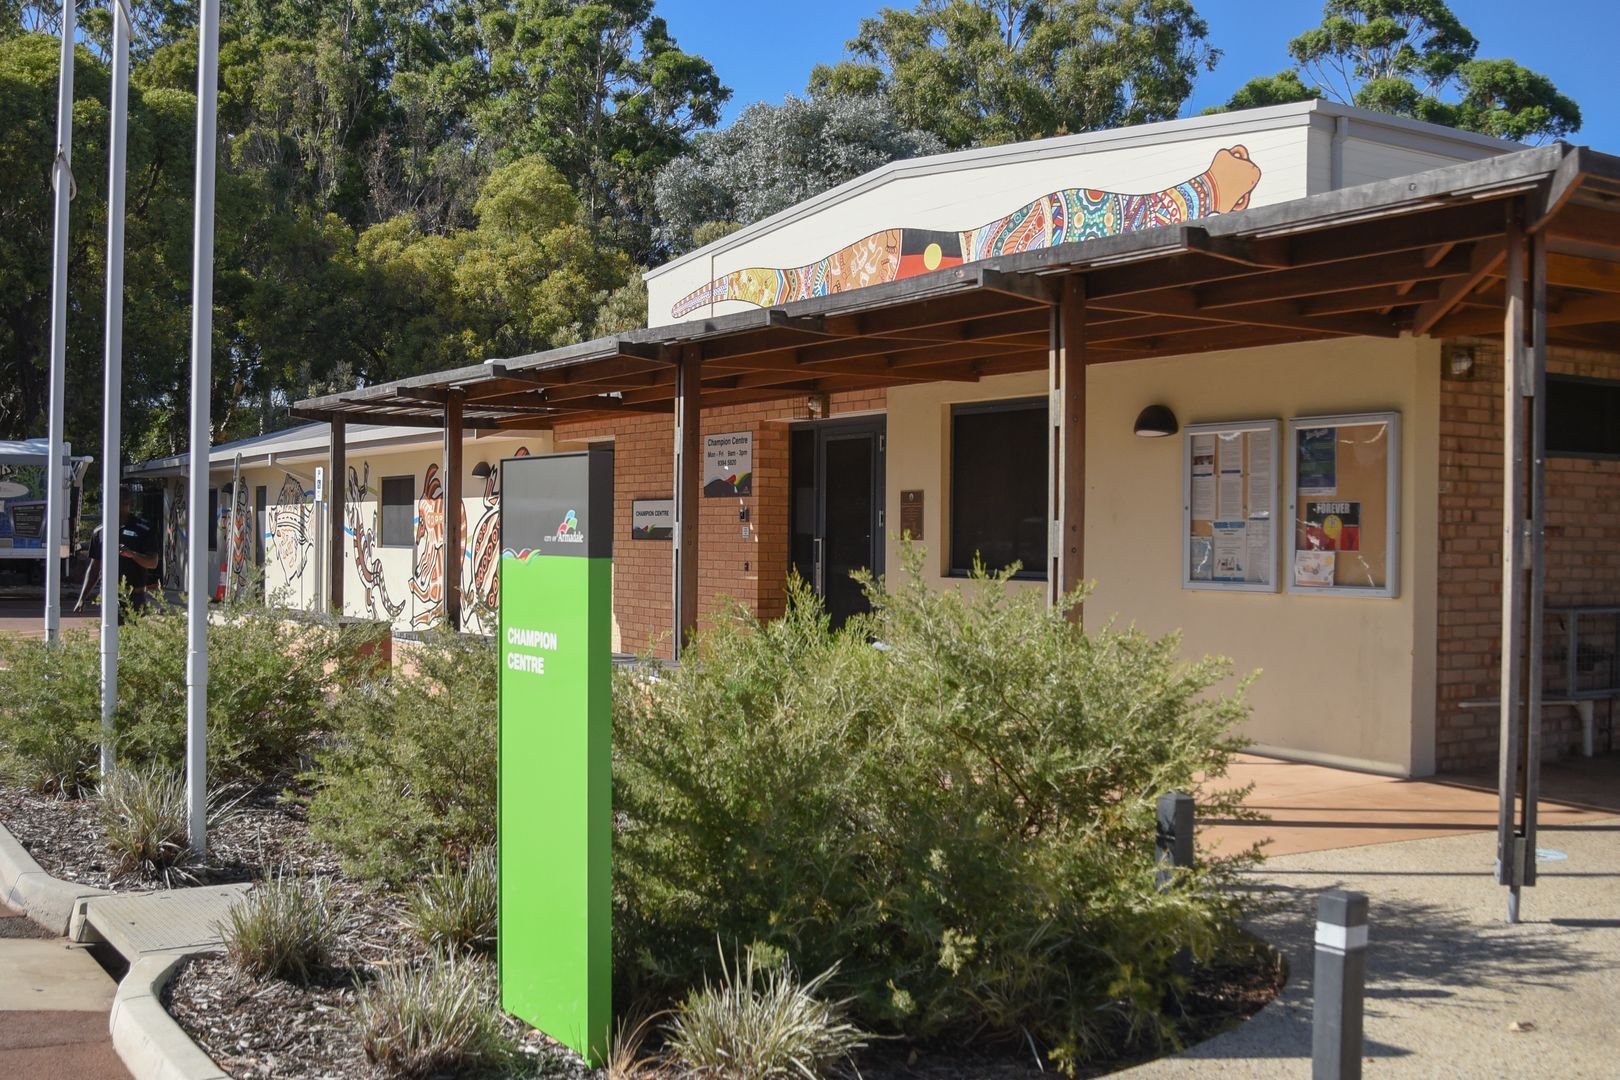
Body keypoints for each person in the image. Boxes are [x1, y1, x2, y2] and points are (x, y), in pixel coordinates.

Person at [76, 485, 160, 622]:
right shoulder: (100, 531)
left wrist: (132, 554)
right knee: (108, 637)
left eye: (120, 501)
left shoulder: (144, 529)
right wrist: (82, 597)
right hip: (109, 597)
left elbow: (153, 562)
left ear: (128, 503)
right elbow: (94, 567)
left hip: (134, 598)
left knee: (133, 640)